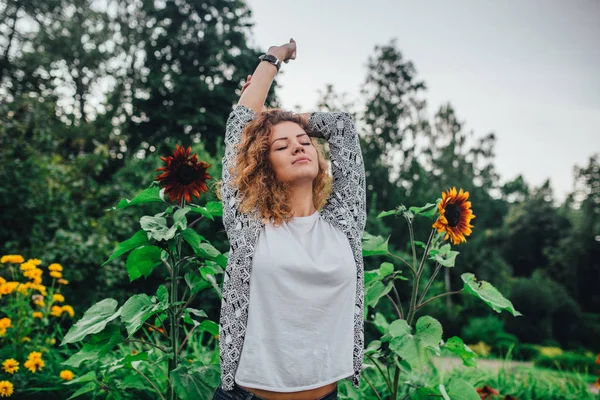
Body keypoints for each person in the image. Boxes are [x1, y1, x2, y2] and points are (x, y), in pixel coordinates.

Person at [213, 38, 367, 400]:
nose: (298, 145)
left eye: (303, 141)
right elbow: (240, 126)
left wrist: (282, 120)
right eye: (281, 146)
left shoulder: (344, 220)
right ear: (263, 167)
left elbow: (342, 128)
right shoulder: (249, 225)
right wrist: (275, 56)